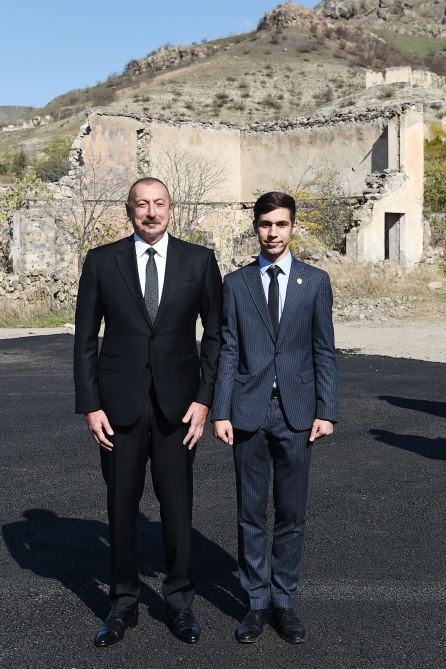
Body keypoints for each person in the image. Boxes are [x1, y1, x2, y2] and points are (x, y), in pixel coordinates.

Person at [74, 177, 222, 647]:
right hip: (118, 409)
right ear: (129, 210)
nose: (151, 212)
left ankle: (179, 601)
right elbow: (84, 342)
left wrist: (203, 400)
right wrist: (91, 404)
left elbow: (215, 336)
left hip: (179, 409)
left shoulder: (199, 261)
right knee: (121, 507)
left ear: (171, 208)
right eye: (142, 204)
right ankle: (122, 603)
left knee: (177, 509)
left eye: (159, 203)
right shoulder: (101, 261)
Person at [211, 191, 338, 644]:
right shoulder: (236, 283)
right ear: (255, 227)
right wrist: (220, 410)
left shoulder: (316, 281)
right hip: (247, 412)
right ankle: (256, 602)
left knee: (291, 512)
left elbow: (324, 350)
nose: (272, 232)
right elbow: (228, 350)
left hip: (298, 414)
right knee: (250, 513)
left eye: (281, 224)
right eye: (265, 224)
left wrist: (327, 410)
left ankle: (284, 601)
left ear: (292, 227)